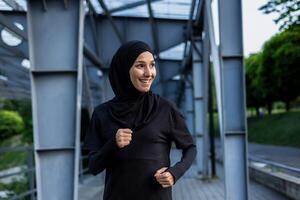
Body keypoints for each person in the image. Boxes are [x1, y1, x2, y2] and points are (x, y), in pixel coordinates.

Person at [83, 40, 196, 200]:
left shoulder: (165, 108)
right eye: (140, 66)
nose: (149, 73)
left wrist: (174, 173)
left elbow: (190, 148)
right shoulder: (102, 113)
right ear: (124, 69)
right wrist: (113, 144)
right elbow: (93, 166)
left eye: (152, 65)